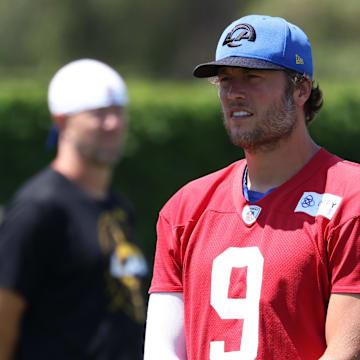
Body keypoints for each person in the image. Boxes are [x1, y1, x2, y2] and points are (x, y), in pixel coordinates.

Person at [144, 14, 360, 360]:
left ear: (301, 89)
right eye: (225, 79)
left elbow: (347, 352)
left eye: (252, 77)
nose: (234, 92)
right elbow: (162, 351)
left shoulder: (351, 198)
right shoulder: (185, 208)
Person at [0, 58, 148, 360]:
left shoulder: (119, 208)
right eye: (99, 113)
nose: (114, 123)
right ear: (62, 121)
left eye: (119, 112)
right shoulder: (39, 209)